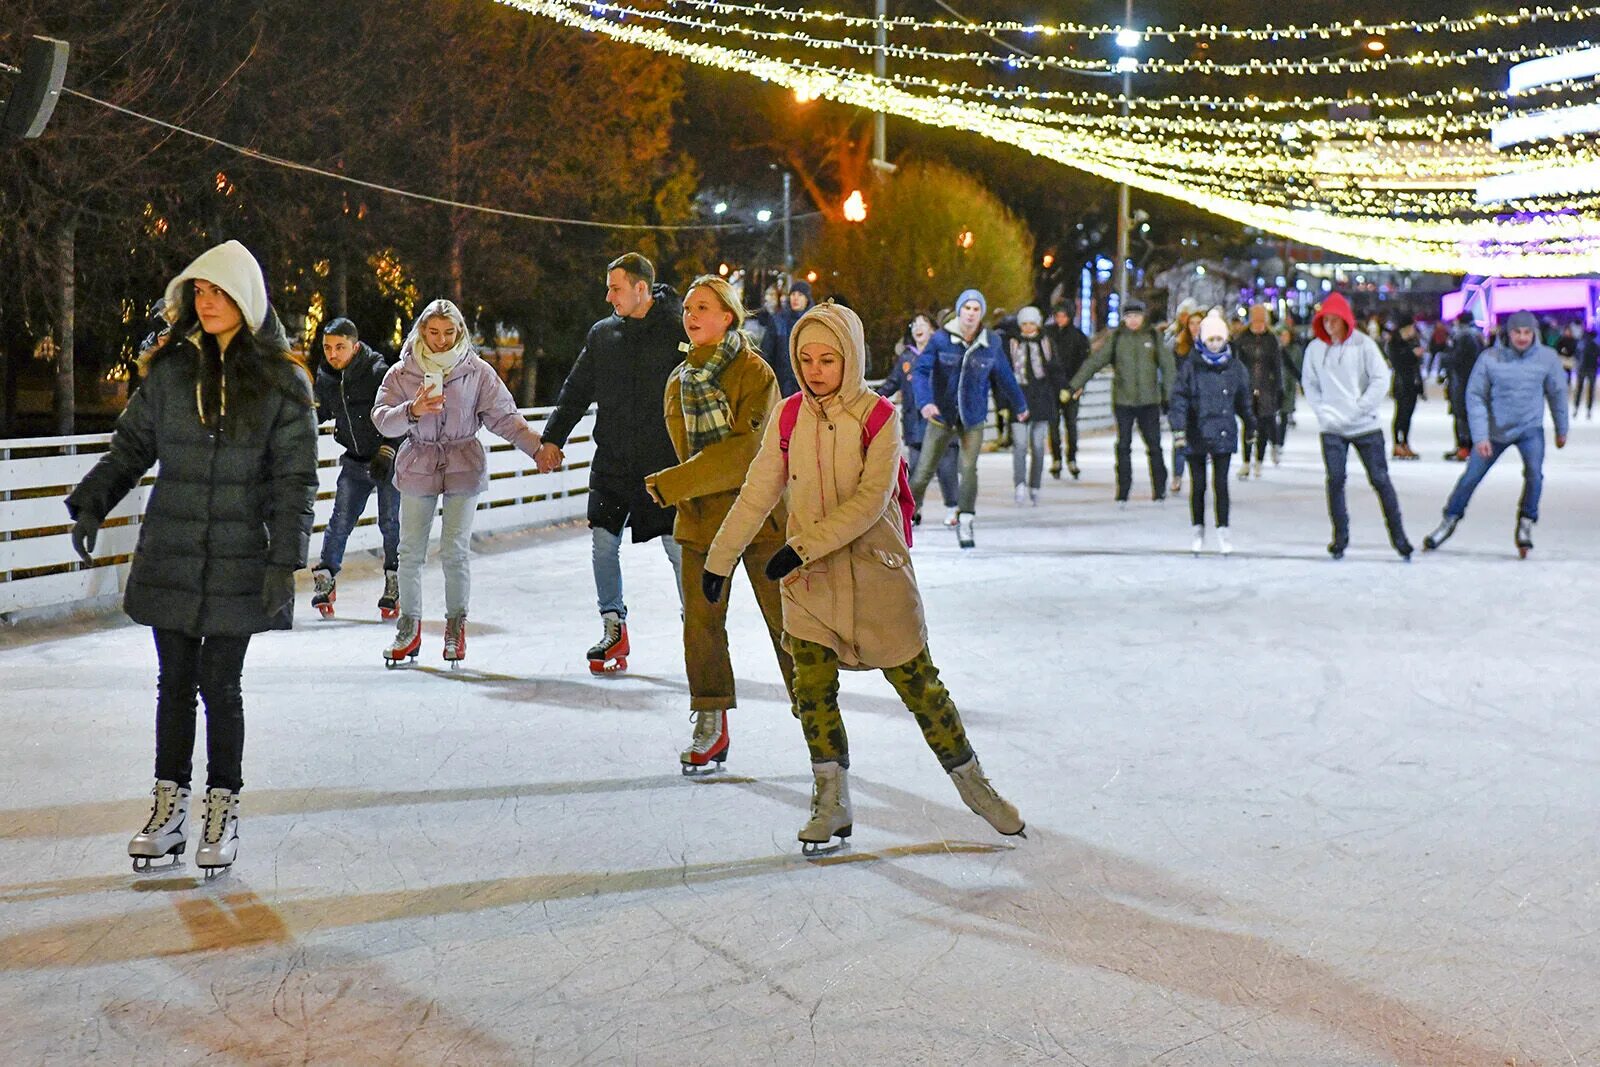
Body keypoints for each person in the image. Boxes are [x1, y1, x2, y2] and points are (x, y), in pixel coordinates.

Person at [703, 302, 1025, 854]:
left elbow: (870, 502)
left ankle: (975, 786)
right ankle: (831, 802)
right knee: (813, 693)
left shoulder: (879, 416)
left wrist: (796, 548)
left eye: (828, 359)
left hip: (877, 577)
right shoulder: (787, 417)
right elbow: (759, 490)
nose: (814, 370)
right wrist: (720, 559)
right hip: (811, 586)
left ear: (849, 357)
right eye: (805, 359)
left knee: (921, 687)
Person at [65, 240, 318, 878]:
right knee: (173, 685)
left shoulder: (282, 382)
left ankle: (221, 809)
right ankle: (169, 809)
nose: (206, 304)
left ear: (246, 299)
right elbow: (131, 449)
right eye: (198, 292)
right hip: (173, 551)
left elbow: (297, 481)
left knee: (220, 686)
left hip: (241, 555)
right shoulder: (171, 374)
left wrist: (283, 562)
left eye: (218, 292)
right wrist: (93, 501)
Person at [645, 275, 794, 775]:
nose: (691, 315)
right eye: (688, 308)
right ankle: (710, 720)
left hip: (760, 518)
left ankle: (815, 710)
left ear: (727, 316)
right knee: (702, 626)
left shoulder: (755, 373)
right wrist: (683, 487)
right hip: (702, 522)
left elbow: (746, 454)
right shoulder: (677, 379)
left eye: (703, 307)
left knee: (787, 621)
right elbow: (686, 448)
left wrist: (674, 484)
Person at [371, 299, 544, 668]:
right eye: (433, 332)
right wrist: (412, 411)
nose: (441, 341)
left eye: (449, 333)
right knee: (410, 551)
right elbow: (382, 420)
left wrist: (537, 449)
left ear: (461, 332)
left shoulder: (477, 372)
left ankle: (455, 625)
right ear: (421, 331)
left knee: (454, 550)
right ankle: (409, 626)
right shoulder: (403, 373)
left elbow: (505, 418)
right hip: (419, 461)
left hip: (463, 462)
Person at [536, 253, 684, 674]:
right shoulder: (603, 335)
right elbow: (576, 389)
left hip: (664, 465)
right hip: (614, 462)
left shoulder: (677, 330)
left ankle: (697, 628)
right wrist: (552, 438)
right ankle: (613, 624)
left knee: (677, 549)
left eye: (615, 288)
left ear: (641, 288)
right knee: (603, 544)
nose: (608, 296)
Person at [1422, 311, 1569, 558]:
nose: (1522, 338)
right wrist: (1480, 437)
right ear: (1508, 333)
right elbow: (1476, 396)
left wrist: (1561, 428)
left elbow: (1557, 394)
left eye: (1526, 332)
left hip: (1529, 429)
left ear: (1534, 333)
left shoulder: (1547, 358)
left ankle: (1526, 521)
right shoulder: (1490, 358)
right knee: (1470, 477)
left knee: (1535, 473)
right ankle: (1449, 520)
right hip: (1494, 431)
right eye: (1517, 332)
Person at [909, 288, 1029, 548]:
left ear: (981, 313)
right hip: (942, 414)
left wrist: (1020, 404)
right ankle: (907, 514)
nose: (971, 314)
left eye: (976, 309)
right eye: (967, 308)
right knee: (922, 472)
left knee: (968, 469)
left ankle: (965, 519)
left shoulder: (991, 343)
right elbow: (920, 371)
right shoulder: (941, 339)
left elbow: (1005, 377)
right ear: (959, 310)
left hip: (973, 417)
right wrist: (925, 402)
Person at [1301, 292, 1413, 561]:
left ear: (1345, 320)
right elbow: (1310, 384)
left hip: (1365, 426)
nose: (1329, 326)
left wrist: (1361, 407)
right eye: (1325, 320)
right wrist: (1323, 413)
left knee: (1380, 480)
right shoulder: (1315, 349)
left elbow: (1380, 379)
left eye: (1334, 321)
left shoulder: (1363, 346)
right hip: (1332, 427)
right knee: (1336, 480)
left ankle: (1399, 538)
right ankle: (1340, 538)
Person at [309, 318, 401, 619]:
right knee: (340, 520)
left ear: (355, 346)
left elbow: (399, 413)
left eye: (340, 347)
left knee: (390, 522)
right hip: (354, 459)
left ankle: (394, 580)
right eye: (327, 348)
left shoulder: (378, 373)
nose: (333, 354)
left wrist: (388, 451)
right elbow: (319, 411)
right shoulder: (326, 377)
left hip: (387, 460)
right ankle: (327, 576)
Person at [1067, 298, 1174, 504]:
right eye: (1129, 317)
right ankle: (1123, 489)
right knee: (1123, 445)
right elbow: (1096, 362)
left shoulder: (1153, 336)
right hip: (1123, 400)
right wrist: (1076, 384)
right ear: (1124, 319)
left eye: (1137, 316)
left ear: (1143, 318)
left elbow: (1168, 366)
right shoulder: (1117, 338)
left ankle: (1159, 488)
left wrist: (1167, 395)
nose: (1133, 321)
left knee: (1154, 445)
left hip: (1149, 400)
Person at [1169, 310, 1255, 556]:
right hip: (1197, 432)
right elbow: (1179, 399)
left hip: (1223, 431)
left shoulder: (1235, 368)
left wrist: (1251, 425)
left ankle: (1223, 528)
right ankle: (1198, 528)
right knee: (1198, 485)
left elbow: (1244, 400)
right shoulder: (1191, 367)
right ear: (1202, 341)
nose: (1215, 344)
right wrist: (1179, 429)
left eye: (1219, 339)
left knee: (1221, 484)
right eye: (1210, 340)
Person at [877, 313, 959, 525]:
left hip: (942, 422)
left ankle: (953, 508)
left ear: (933, 329)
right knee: (915, 470)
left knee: (946, 468)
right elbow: (892, 383)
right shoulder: (907, 358)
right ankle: (915, 509)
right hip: (916, 424)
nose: (917, 328)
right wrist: (872, 399)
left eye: (923, 324)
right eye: (914, 324)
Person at [1006, 306, 1067, 504]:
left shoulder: (1047, 343)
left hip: (1042, 400)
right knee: (1020, 445)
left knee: (1039, 447)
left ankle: (1035, 485)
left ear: (1038, 324)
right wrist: (1003, 403)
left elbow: (1056, 369)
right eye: (1024, 324)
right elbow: (1003, 374)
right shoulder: (1012, 343)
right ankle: (1019, 484)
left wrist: (1064, 389)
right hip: (1018, 399)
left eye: (1032, 323)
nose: (1028, 327)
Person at [1233, 304, 1284, 478]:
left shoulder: (1271, 339)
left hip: (1266, 388)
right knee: (1248, 424)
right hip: (1246, 387)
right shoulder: (1242, 339)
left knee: (1263, 425)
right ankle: (1246, 461)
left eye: (1261, 318)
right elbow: (1236, 363)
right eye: (1256, 317)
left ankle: (1259, 461)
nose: (1259, 322)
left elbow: (1277, 366)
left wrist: (1279, 387)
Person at [1044, 302, 1090, 479]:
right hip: (1052, 387)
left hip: (1072, 386)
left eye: (1063, 316)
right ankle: (1056, 458)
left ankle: (1072, 458)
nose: (1060, 319)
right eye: (1057, 316)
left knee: (1071, 424)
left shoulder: (1078, 337)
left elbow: (1085, 364)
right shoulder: (1048, 334)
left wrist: (1079, 386)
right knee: (1053, 425)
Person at [1166, 304, 1204, 494]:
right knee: (1180, 438)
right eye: (1192, 323)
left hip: (1203, 400)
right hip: (1183, 398)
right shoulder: (1179, 346)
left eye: (1199, 323)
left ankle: (1201, 476)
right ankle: (1178, 475)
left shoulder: (1211, 346)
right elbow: (1170, 372)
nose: (1195, 327)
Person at [1443, 312, 1485, 460]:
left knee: (1461, 415)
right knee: (1470, 415)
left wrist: (1445, 359)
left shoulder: (1463, 336)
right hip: (1474, 381)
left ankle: (1464, 446)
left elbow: (1457, 359)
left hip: (1462, 381)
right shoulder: (1477, 336)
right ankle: (1469, 446)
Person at [758, 279, 810, 397]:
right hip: (782, 386)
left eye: (800, 295)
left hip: (807, 388)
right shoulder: (778, 321)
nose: (795, 298)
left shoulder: (813, 323)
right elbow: (766, 354)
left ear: (807, 299)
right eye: (793, 294)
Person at [1385, 321, 1425, 460]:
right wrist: (1413, 354)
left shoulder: (1413, 342)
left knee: (1408, 415)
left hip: (1412, 384)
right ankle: (1397, 444)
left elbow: (1417, 364)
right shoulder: (1394, 344)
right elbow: (1397, 362)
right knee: (1400, 414)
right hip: (1401, 384)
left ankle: (1405, 443)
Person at [1575, 326, 1599, 418]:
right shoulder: (1595, 345)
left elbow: (1577, 356)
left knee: (1580, 389)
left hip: (1583, 369)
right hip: (1591, 369)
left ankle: (1577, 408)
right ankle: (1588, 410)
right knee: (1590, 390)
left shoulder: (1582, 344)